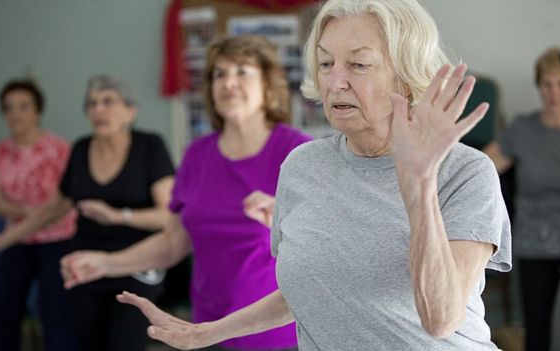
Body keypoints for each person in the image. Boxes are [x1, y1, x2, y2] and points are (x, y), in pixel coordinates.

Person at [110, 1, 513, 350]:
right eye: (325, 63)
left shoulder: (464, 172)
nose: (335, 82)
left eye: (358, 64)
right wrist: (207, 333)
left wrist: (418, 182)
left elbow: (441, 318)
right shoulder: (302, 165)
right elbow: (308, 292)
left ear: (405, 77)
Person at [60, 34, 312, 351]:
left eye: (242, 72)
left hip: (276, 333)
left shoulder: (296, 150)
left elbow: (326, 243)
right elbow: (174, 241)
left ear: (268, 85)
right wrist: (105, 263)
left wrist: (285, 219)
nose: (228, 82)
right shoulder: (198, 154)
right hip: (205, 329)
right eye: (219, 74)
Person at [0, 75, 175, 351]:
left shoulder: (150, 146)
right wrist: (2, 240)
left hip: (136, 265)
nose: (98, 109)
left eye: (108, 101)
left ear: (130, 111)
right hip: (86, 267)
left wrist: (117, 215)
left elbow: (168, 216)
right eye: (92, 103)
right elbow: (53, 208)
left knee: (125, 344)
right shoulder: (81, 149)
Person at [0, 79, 78, 351]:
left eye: (23, 107)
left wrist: (36, 215)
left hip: (57, 240)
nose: (15, 114)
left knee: (56, 315)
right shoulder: (2, 150)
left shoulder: (59, 149)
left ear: (37, 112)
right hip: (17, 241)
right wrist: (26, 212)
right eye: (9, 107)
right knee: (3, 309)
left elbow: (61, 205)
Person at [483, 47, 560, 351]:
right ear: (539, 86)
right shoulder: (522, 130)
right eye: (547, 84)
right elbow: (481, 168)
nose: (553, 92)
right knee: (536, 331)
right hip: (534, 243)